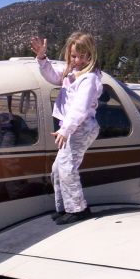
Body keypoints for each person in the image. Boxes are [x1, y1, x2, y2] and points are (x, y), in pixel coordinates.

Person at [30, 32, 103, 225]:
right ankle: (64, 207)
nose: (77, 60)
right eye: (73, 56)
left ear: (90, 56)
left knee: (67, 167)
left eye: (82, 56)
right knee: (58, 168)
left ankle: (79, 209)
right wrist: (42, 58)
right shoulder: (70, 73)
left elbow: (80, 108)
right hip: (71, 128)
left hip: (82, 127)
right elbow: (52, 76)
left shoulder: (89, 79)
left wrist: (65, 130)